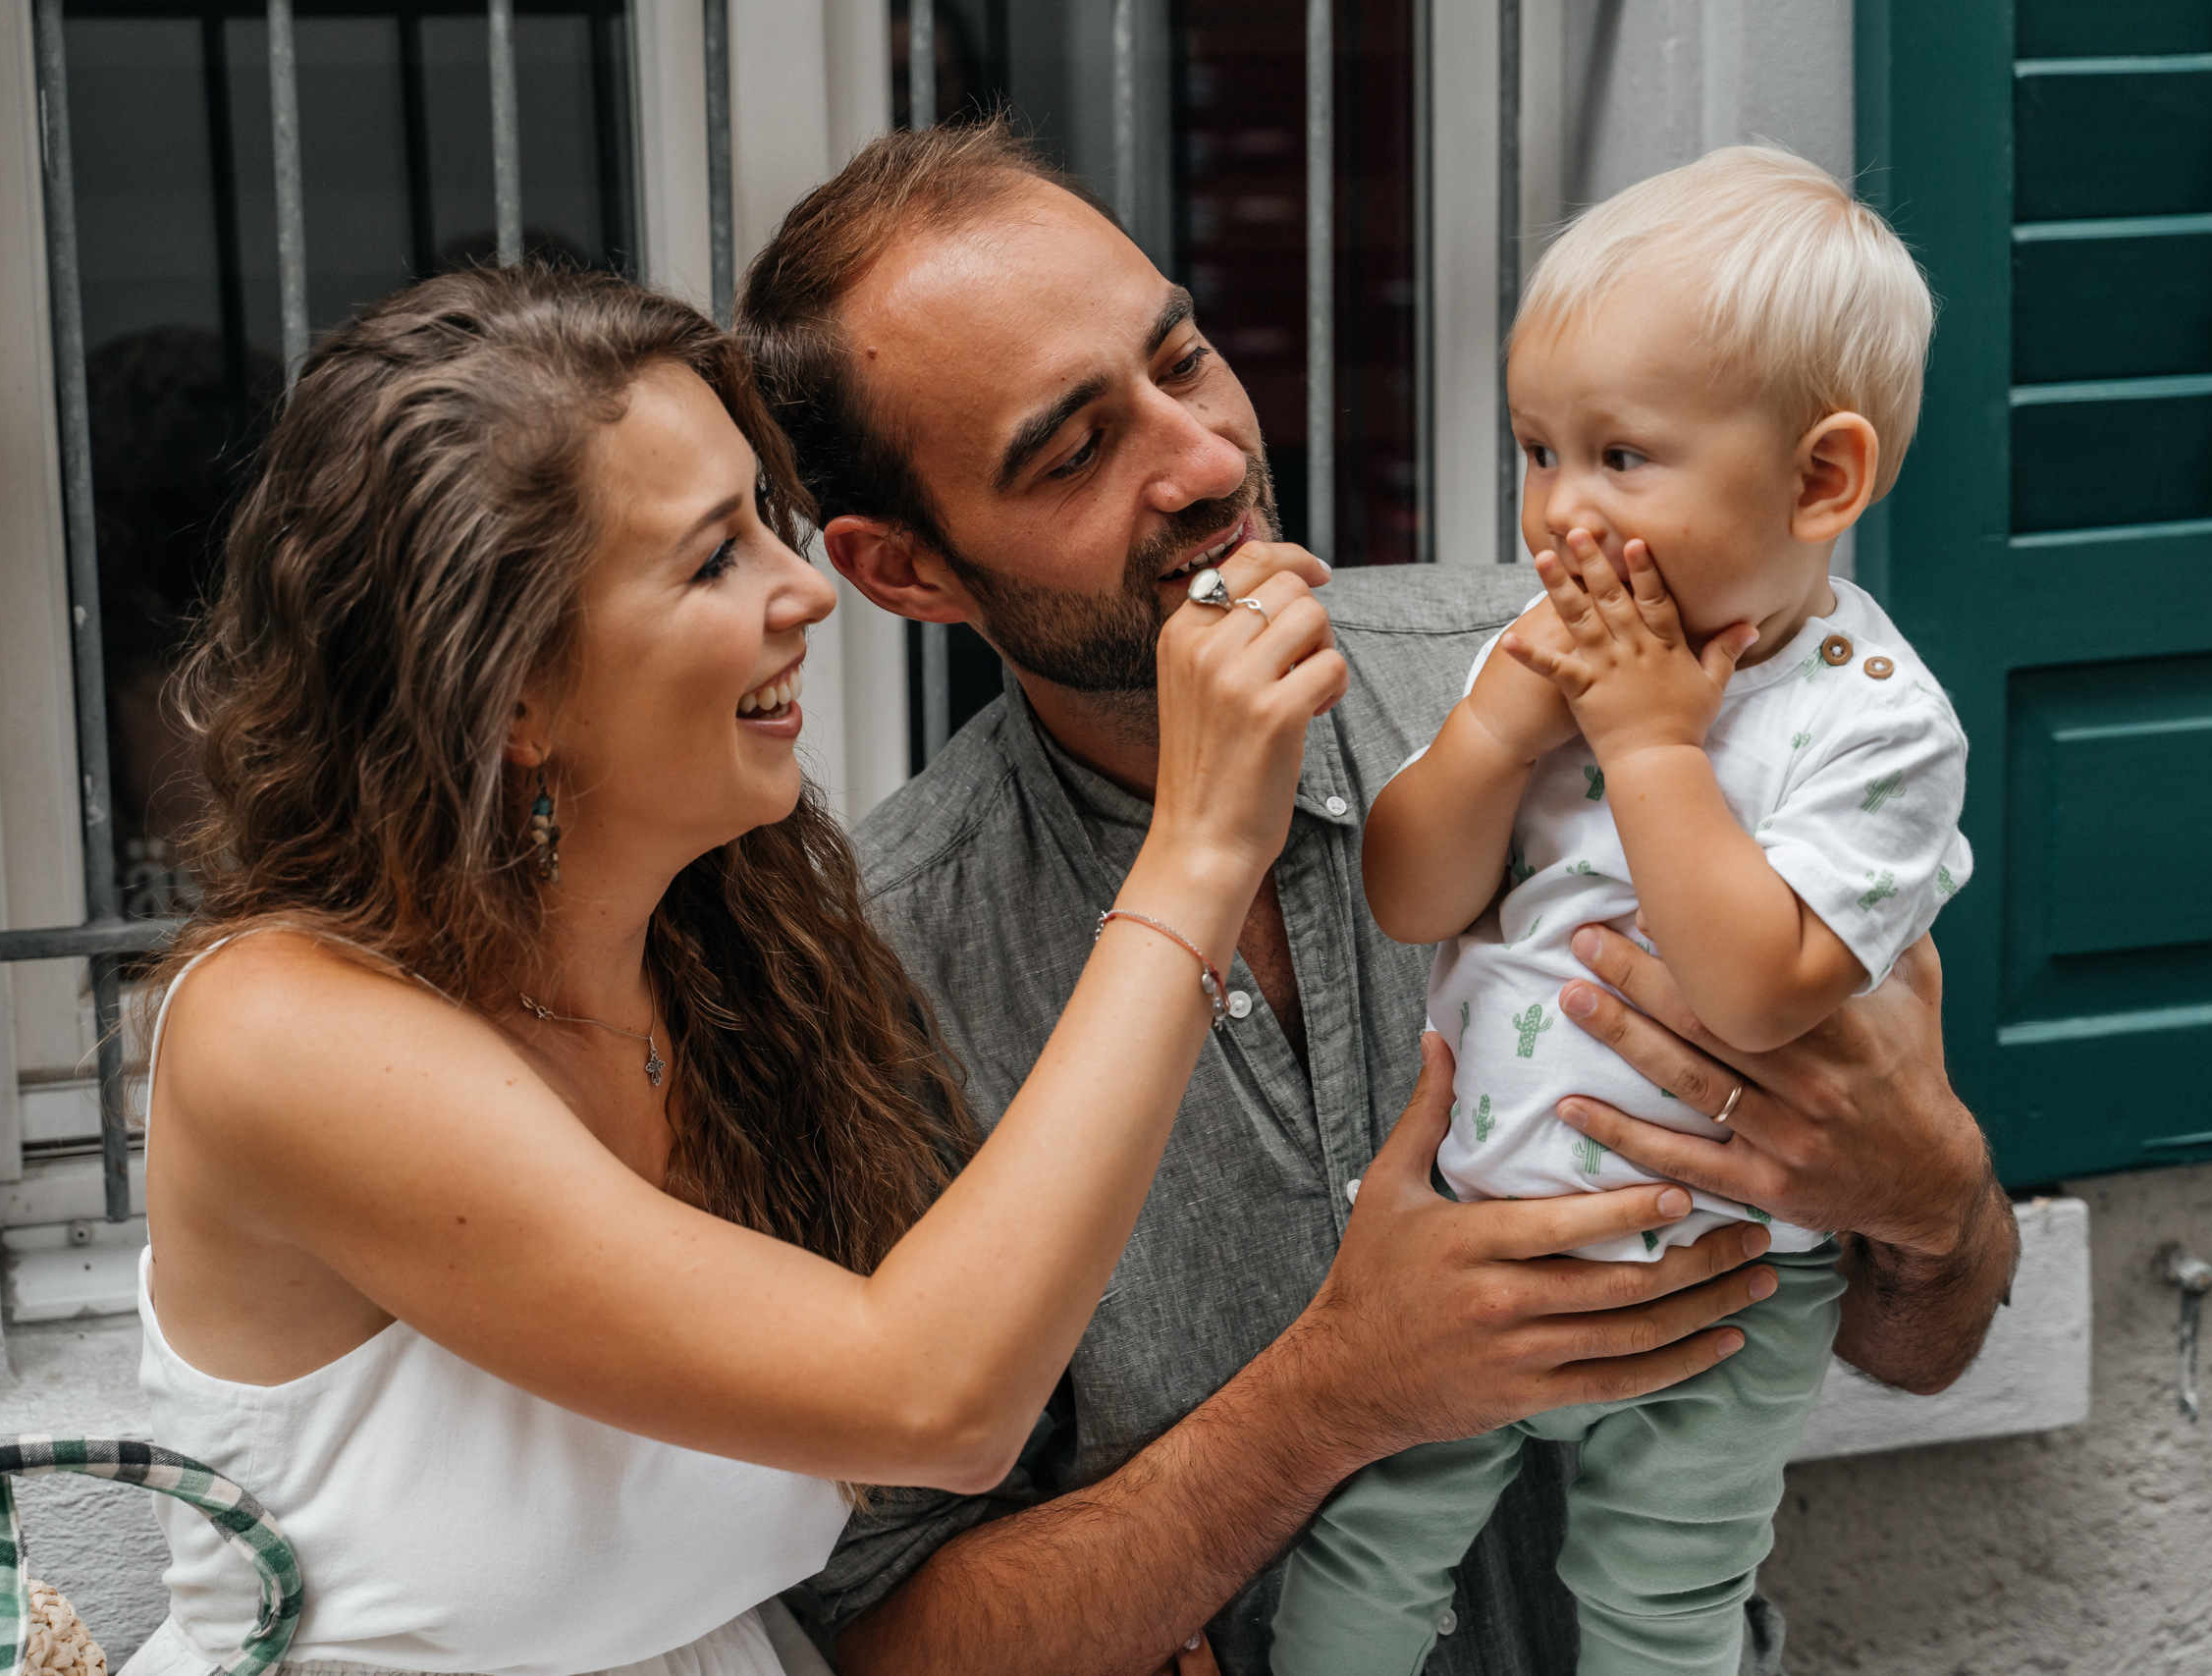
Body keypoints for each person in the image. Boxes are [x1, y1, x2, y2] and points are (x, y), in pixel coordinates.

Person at [735, 118, 2020, 1676]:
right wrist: (1336, 1394)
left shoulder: (1618, 675)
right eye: (1075, 450)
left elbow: (1923, 1336)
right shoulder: (876, 979)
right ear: (903, 574)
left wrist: (1932, 1203)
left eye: (1186, 360)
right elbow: (890, 1646)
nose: (1206, 461)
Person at [123, 263, 1351, 1676]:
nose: (805, 590)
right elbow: (933, 1395)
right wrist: (1198, 848)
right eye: (715, 556)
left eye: (771, 522)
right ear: (511, 691)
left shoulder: (742, 970)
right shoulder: (281, 1032)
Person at [1273, 145, 1972, 1676]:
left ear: (1821, 478)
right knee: (1367, 1551)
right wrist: (1493, 739)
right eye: (1537, 451)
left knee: (1661, 1598)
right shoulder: (1542, 662)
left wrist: (1652, 747)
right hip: (1484, 1246)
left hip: (1727, 1287)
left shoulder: (1872, 724)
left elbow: (1760, 994)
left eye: (1622, 458)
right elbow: (1414, 896)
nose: (1558, 515)